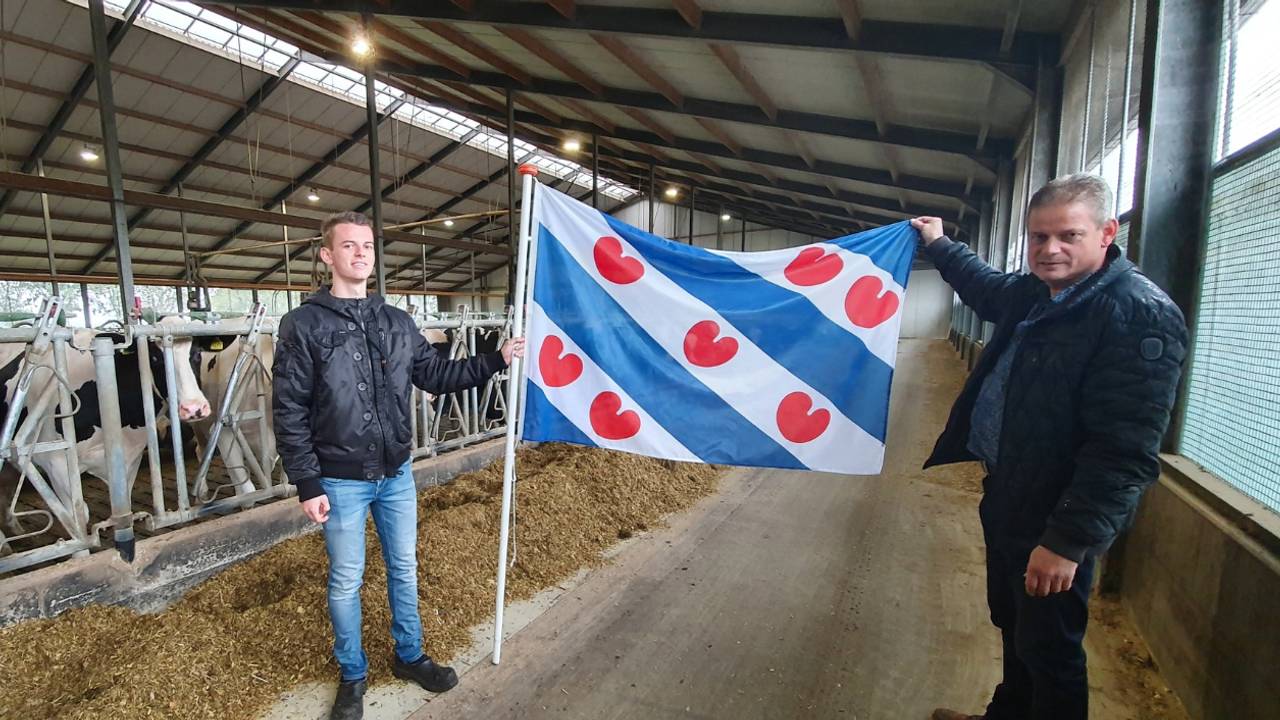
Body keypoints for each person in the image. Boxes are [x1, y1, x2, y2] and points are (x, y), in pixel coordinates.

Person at [913, 174, 1187, 720]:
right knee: (1014, 622)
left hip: (1056, 509)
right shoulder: (1039, 292)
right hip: (1012, 489)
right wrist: (941, 245)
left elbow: (1124, 450)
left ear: (1107, 233)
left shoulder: (1135, 315)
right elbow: (985, 286)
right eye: (1039, 237)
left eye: (1068, 236)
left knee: (1051, 647)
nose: (1050, 249)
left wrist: (1067, 540)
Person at [272, 211, 525, 720]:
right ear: (327, 255)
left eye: (366, 245)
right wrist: (306, 481)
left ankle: (409, 655)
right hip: (339, 479)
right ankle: (353, 674)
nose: (360, 253)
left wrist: (496, 359)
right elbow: (289, 408)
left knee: (404, 569)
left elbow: (435, 376)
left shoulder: (396, 321)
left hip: (395, 473)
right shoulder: (303, 324)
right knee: (346, 579)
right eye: (348, 246)